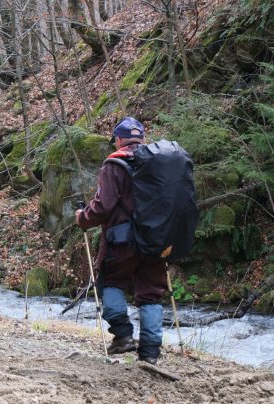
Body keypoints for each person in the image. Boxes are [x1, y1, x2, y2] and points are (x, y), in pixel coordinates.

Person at [75, 117, 167, 365]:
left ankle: (123, 335)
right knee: (151, 293)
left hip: (121, 241)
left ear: (118, 140)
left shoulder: (113, 164)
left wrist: (82, 218)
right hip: (156, 240)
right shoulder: (160, 163)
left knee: (110, 282)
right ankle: (149, 353)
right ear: (142, 139)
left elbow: (103, 207)